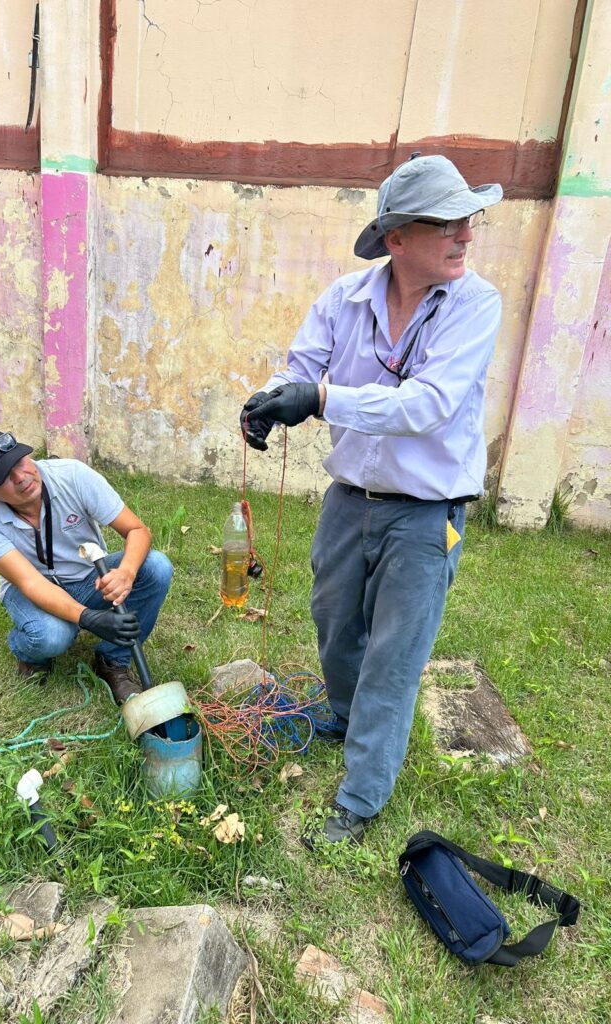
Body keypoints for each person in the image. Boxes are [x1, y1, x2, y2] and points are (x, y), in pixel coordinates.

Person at [240, 154, 503, 849]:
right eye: (446, 223)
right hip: (348, 497)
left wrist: (320, 399)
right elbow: (300, 368)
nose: (465, 236)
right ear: (396, 237)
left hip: (426, 511)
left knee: (396, 653)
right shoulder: (344, 299)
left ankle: (360, 797)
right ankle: (343, 713)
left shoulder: (476, 305)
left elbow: (430, 404)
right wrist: (272, 400)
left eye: (466, 221)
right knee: (334, 621)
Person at [0, 429, 173, 702]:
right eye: (3, 478)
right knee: (51, 637)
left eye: (19, 462)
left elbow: (137, 530)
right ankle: (28, 652)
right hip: (30, 588)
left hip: (87, 576)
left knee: (157, 566)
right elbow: (30, 582)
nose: (21, 477)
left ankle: (112, 661)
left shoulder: (72, 475)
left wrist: (126, 573)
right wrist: (88, 617)